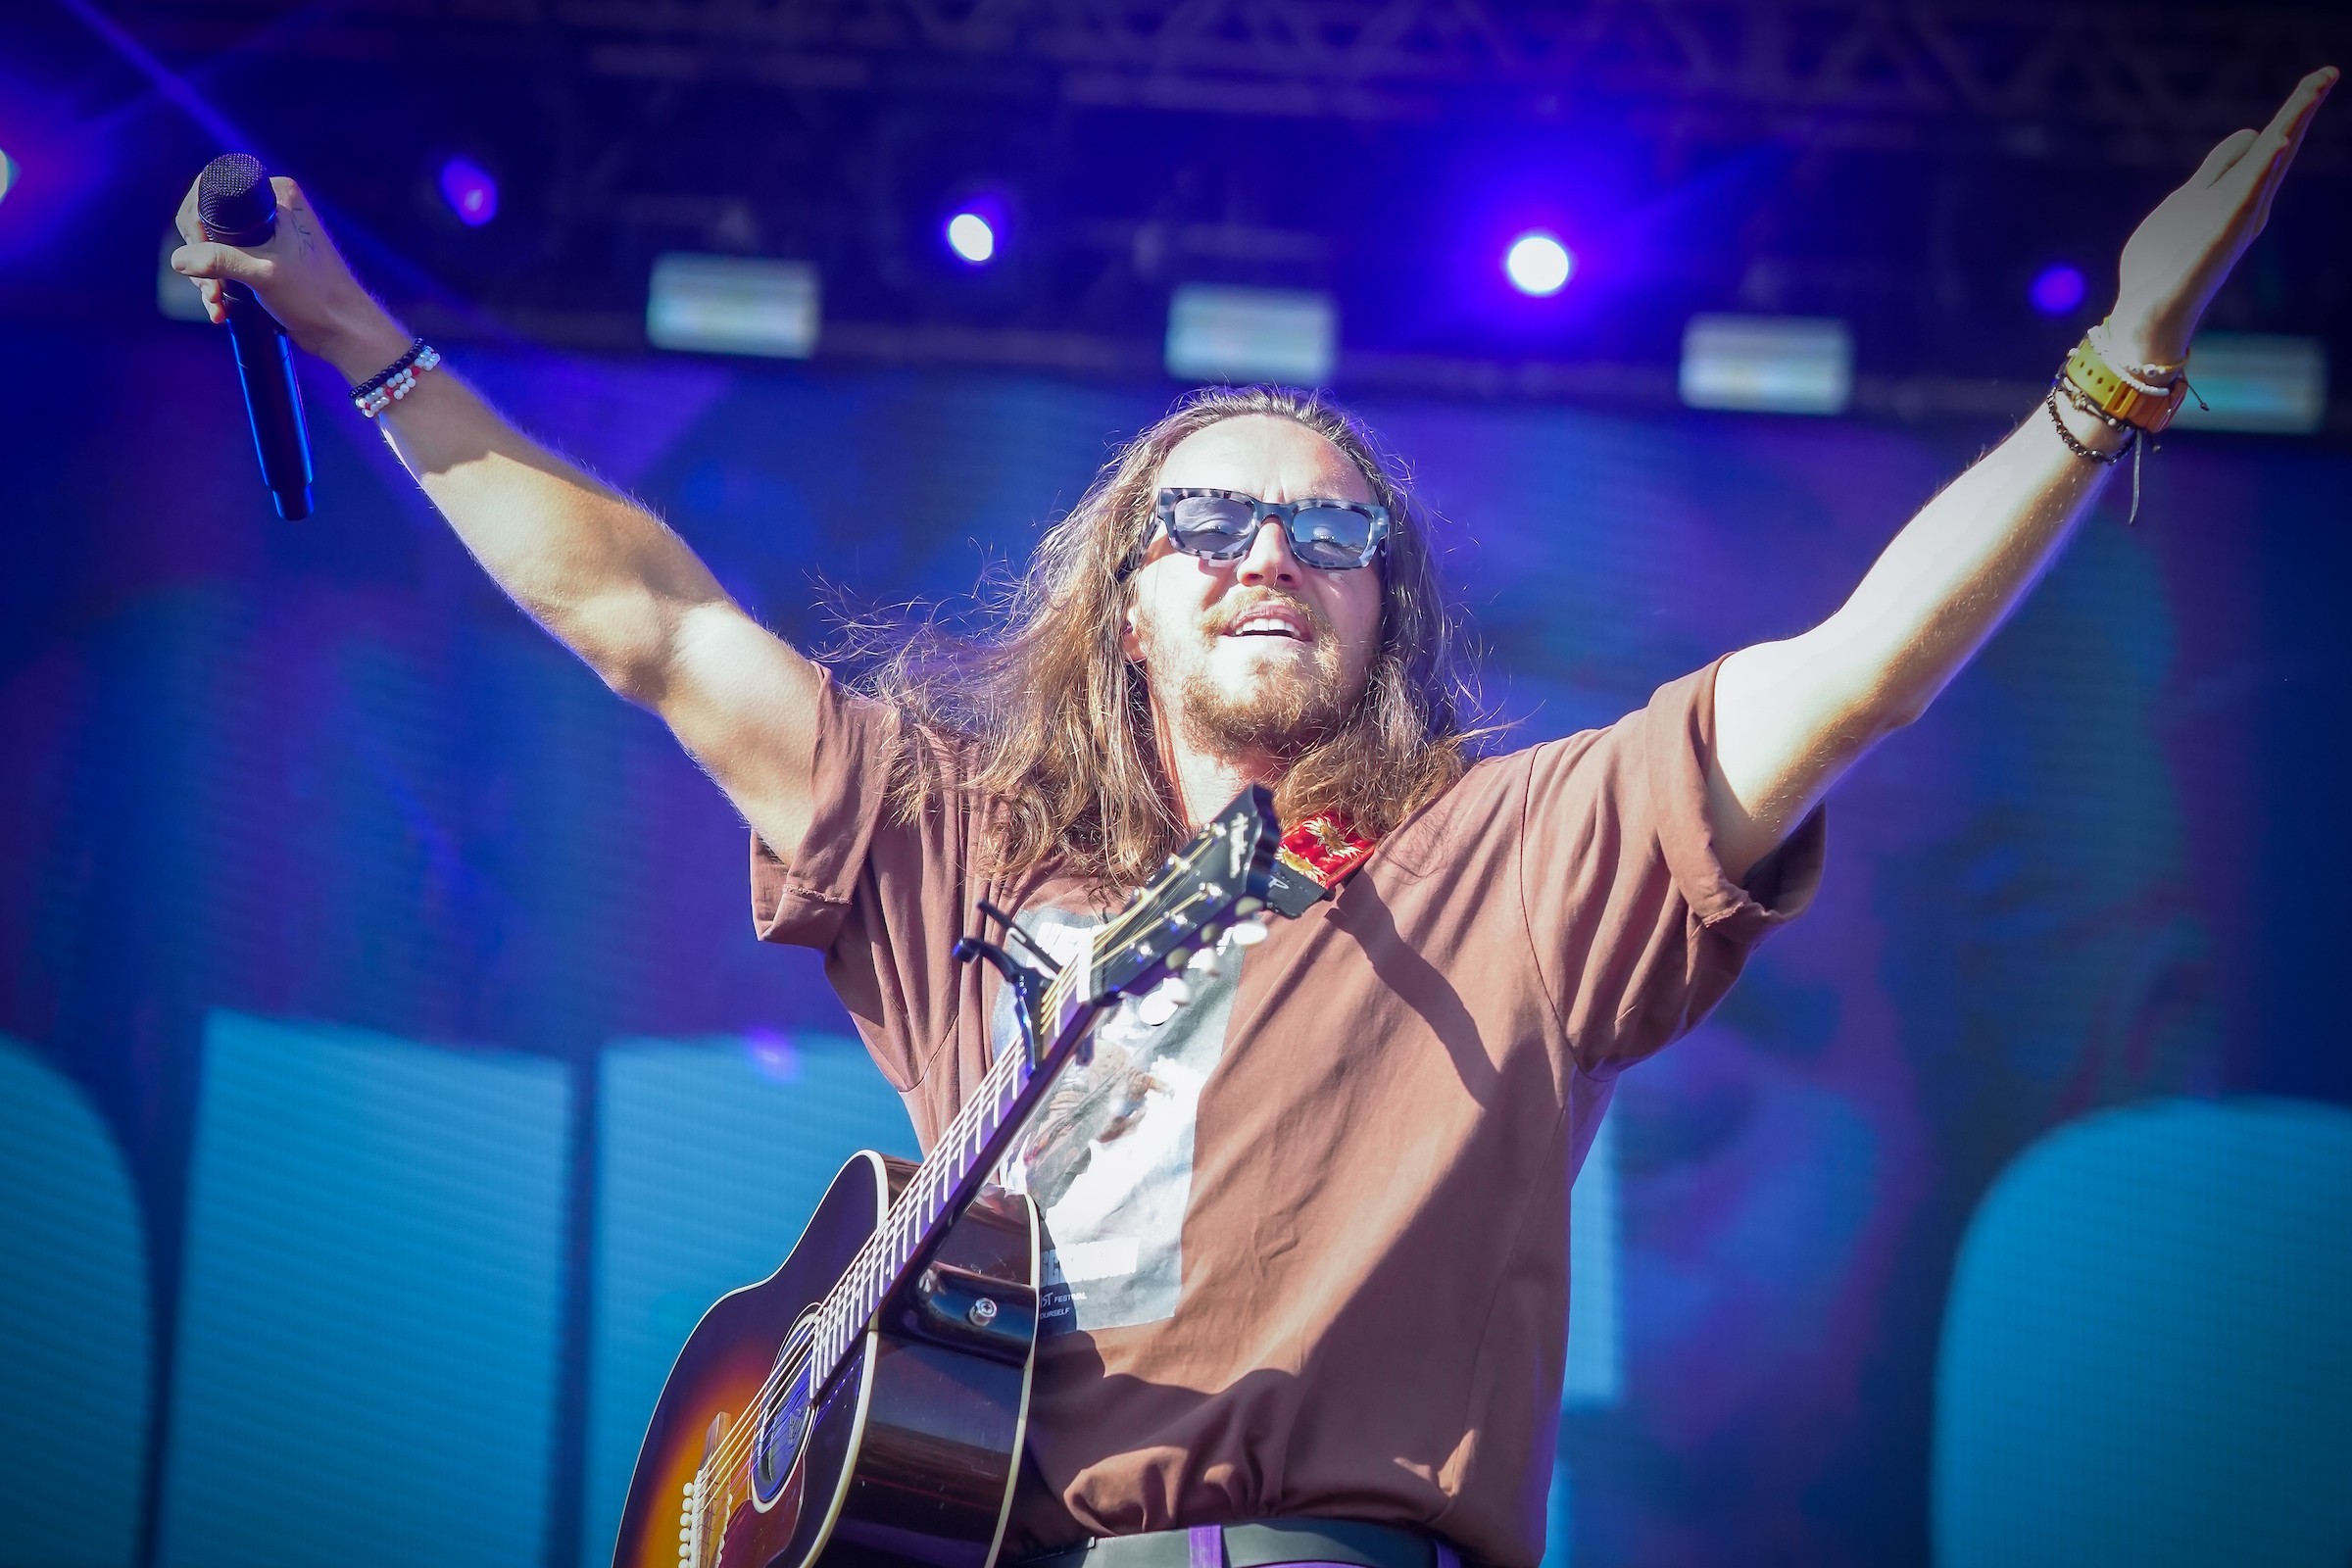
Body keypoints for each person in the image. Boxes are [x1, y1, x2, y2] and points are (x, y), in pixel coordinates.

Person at [170, 66, 2334, 1568]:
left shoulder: (1517, 853)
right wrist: (358, 334)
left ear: (1388, 604)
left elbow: (1852, 674)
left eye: (1328, 525)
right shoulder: (950, 839)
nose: (1266, 551)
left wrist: (2104, 381)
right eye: (1205, 518)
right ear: (1122, 599)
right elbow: (645, 621)